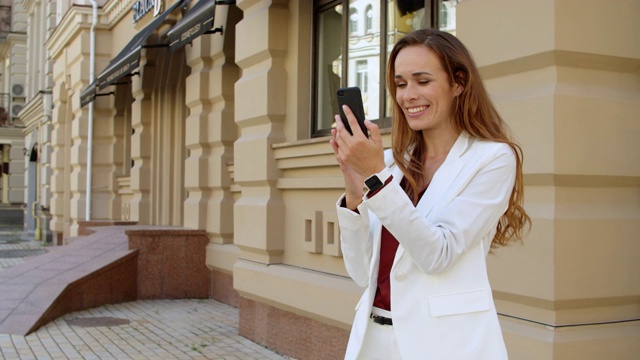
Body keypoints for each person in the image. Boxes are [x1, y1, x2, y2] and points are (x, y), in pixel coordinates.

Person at [330, 28, 530, 360]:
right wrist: (355, 189)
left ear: (458, 83)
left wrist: (376, 178)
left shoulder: (492, 159)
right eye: (400, 83)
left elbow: (438, 253)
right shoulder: (393, 163)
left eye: (422, 81)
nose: (408, 95)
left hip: (445, 345)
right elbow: (361, 270)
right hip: (373, 342)